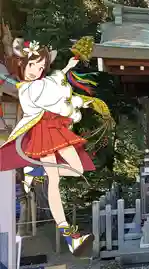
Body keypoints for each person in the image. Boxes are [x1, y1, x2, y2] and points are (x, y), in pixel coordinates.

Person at [0, 38, 97, 256]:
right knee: (54, 181)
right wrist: (75, 102)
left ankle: (37, 170)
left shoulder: (39, 84)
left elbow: (53, 84)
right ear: (23, 63)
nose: (36, 70)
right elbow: (52, 94)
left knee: (77, 168)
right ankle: (70, 237)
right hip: (42, 132)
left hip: (56, 128)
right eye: (33, 64)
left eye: (41, 67)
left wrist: (67, 69)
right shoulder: (26, 89)